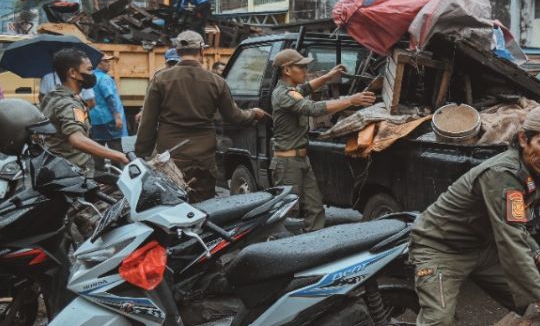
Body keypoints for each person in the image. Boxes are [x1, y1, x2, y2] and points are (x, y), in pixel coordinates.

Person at [401, 106, 540, 326]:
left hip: (481, 246)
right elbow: (510, 241)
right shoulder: (502, 173)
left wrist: (537, 252)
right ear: (522, 139)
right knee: (438, 322)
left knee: (532, 301)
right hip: (440, 248)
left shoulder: (530, 171)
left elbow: (514, 224)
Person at [136, 31, 266, 202]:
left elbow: (148, 121)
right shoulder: (216, 81)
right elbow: (234, 116)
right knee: (203, 203)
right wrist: (253, 114)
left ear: (177, 51)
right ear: (202, 51)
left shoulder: (160, 79)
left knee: (171, 204)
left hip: (170, 156)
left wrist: (141, 153)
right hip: (203, 156)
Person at [271, 49, 375, 231]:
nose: (305, 70)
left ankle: (313, 246)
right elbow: (314, 108)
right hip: (287, 163)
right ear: (287, 70)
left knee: (315, 209)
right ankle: (282, 251)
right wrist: (351, 100)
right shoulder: (283, 94)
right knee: (287, 213)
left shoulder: (292, 90)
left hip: (301, 159)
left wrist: (329, 76)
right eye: (301, 67)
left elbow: (307, 88)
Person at [39, 48, 127, 173]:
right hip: (71, 172)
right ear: (73, 73)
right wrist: (119, 156)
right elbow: (77, 139)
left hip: (57, 168)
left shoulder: (53, 95)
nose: (93, 74)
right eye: (89, 70)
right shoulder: (69, 104)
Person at [88, 53, 127, 150]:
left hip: (94, 119)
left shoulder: (89, 77)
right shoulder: (105, 78)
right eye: (105, 61)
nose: (109, 63)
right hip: (109, 119)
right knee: (116, 149)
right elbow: (110, 98)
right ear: (98, 63)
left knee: (97, 149)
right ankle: (117, 165)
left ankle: (99, 166)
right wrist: (117, 117)